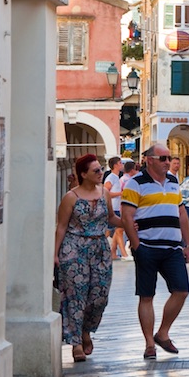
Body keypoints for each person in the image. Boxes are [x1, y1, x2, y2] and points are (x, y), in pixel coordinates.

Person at [121, 144, 189, 360]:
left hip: (172, 248)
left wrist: (187, 244)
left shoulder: (172, 181)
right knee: (146, 296)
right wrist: (137, 246)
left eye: (169, 158)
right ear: (149, 160)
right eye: (163, 158)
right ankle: (149, 343)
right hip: (147, 247)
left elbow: (181, 213)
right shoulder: (136, 183)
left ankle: (162, 333)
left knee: (181, 290)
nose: (167, 161)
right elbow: (127, 217)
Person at [55, 154, 123, 362]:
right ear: (83, 174)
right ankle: (76, 342)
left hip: (100, 249)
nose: (101, 173)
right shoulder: (71, 197)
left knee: (99, 296)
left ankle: (86, 330)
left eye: (101, 169)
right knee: (76, 296)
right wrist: (55, 254)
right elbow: (62, 226)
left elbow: (110, 218)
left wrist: (128, 223)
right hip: (74, 249)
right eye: (96, 170)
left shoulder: (104, 194)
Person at [103, 157, 124, 260]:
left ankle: (113, 253)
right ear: (115, 165)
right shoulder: (111, 177)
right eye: (120, 163)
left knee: (118, 230)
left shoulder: (117, 177)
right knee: (109, 231)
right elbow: (105, 192)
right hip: (112, 208)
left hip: (117, 208)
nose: (122, 164)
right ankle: (123, 254)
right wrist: (120, 193)